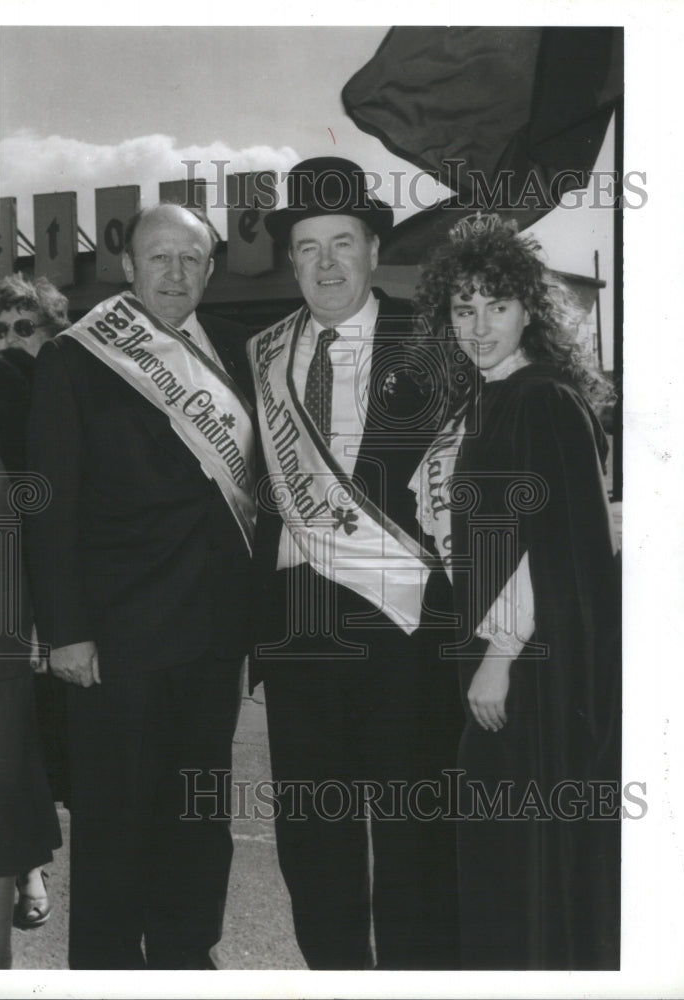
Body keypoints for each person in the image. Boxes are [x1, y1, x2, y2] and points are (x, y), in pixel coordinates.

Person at [25, 203, 256, 969]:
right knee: (115, 825)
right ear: (126, 266)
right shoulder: (75, 357)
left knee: (200, 816)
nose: (175, 274)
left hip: (213, 639)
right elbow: (49, 504)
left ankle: (189, 958)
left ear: (210, 270)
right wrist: (63, 630)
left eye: (191, 260)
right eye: (159, 258)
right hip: (115, 641)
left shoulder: (232, 354)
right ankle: (107, 970)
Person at [248, 157, 462, 970]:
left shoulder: (435, 343)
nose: (326, 264)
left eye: (343, 243)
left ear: (375, 251)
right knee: (312, 840)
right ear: (290, 260)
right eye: (307, 248)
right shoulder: (263, 353)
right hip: (300, 631)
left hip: (407, 629)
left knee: (415, 836)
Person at [412, 213, 621, 969]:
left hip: (531, 669)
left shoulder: (538, 400)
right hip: (516, 660)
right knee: (510, 858)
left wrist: (499, 651)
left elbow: (557, 547)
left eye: (494, 305)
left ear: (529, 307)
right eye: (461, 308)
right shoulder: (502, 396)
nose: (476, 325)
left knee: (522, 860)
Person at [0, 273, 72, 935]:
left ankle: (30, 866)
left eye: (24, 329)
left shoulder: (74, 395)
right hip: (3, 590)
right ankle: (28, 869)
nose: (9, 342)